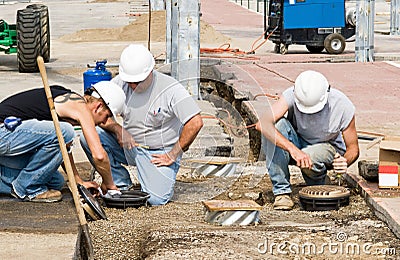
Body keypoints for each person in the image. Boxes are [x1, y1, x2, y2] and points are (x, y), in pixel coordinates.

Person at [80, 44, 204, 205]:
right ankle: (119, 182)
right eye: (129, 81)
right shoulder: (120, 83)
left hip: (157, 153)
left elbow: (195, 122)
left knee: (156, 200)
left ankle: (154, 174)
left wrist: (173, 154)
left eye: (137, 82)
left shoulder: (170, 89)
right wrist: (118, 129)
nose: (132, 86)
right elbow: (97, 114)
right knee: (87, 136)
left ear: (150, 72)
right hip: (128, 146)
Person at [0, 81, 126, 202]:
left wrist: (77, 180)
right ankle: (26, 188)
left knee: (56, 181)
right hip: (4, 132)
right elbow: (99, 156)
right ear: (98, 106)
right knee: (65, 131)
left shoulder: (67, 101)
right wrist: (109, 184)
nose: (104, 122)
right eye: (107, 116)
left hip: (11, 140)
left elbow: (63, 147)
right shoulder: (80, 107)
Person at [255, 70, 359, 210]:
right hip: (297, 145)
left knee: (312, 155)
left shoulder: (342, 105)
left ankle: (319, 183)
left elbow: (353, 148)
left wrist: (345, 161)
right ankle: (282, 192)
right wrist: (293, 149)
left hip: (326, 148)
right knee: (275, 127)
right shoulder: (291, 95)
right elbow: (263, 123)